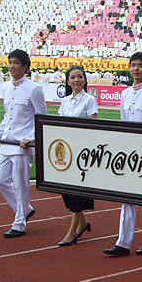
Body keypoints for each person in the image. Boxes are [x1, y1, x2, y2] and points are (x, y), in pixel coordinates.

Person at [103, 52, 142, 257]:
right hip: (129, 154)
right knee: (126, 198)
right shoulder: (124, 94)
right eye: (133, 65)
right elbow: (124, 125)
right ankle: (123, 242)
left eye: (140, 65)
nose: (136, 69)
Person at [0, 49, 47, 237]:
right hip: (6, 142)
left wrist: (32, 138)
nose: (12, 66)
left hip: (22, 145)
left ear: (25, 66)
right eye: (10, 62)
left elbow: (41, 118)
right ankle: (26, 210)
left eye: (16, 63)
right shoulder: (6, 87)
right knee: (1, 181)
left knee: (21, 185)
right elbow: (8, 117)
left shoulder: (34, 89)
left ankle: (19, 223)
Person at [56, 65, 98, 246]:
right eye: (73, 77)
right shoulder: (65, 101)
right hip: (66, 149)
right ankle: (83, 222)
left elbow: (93, 124)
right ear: (67, 81)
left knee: (77, 191)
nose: (76, 80)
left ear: (85, 80)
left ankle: (72, 232)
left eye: (80, 77)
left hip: (81, 150)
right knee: (64, 188)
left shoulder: (89, 100)